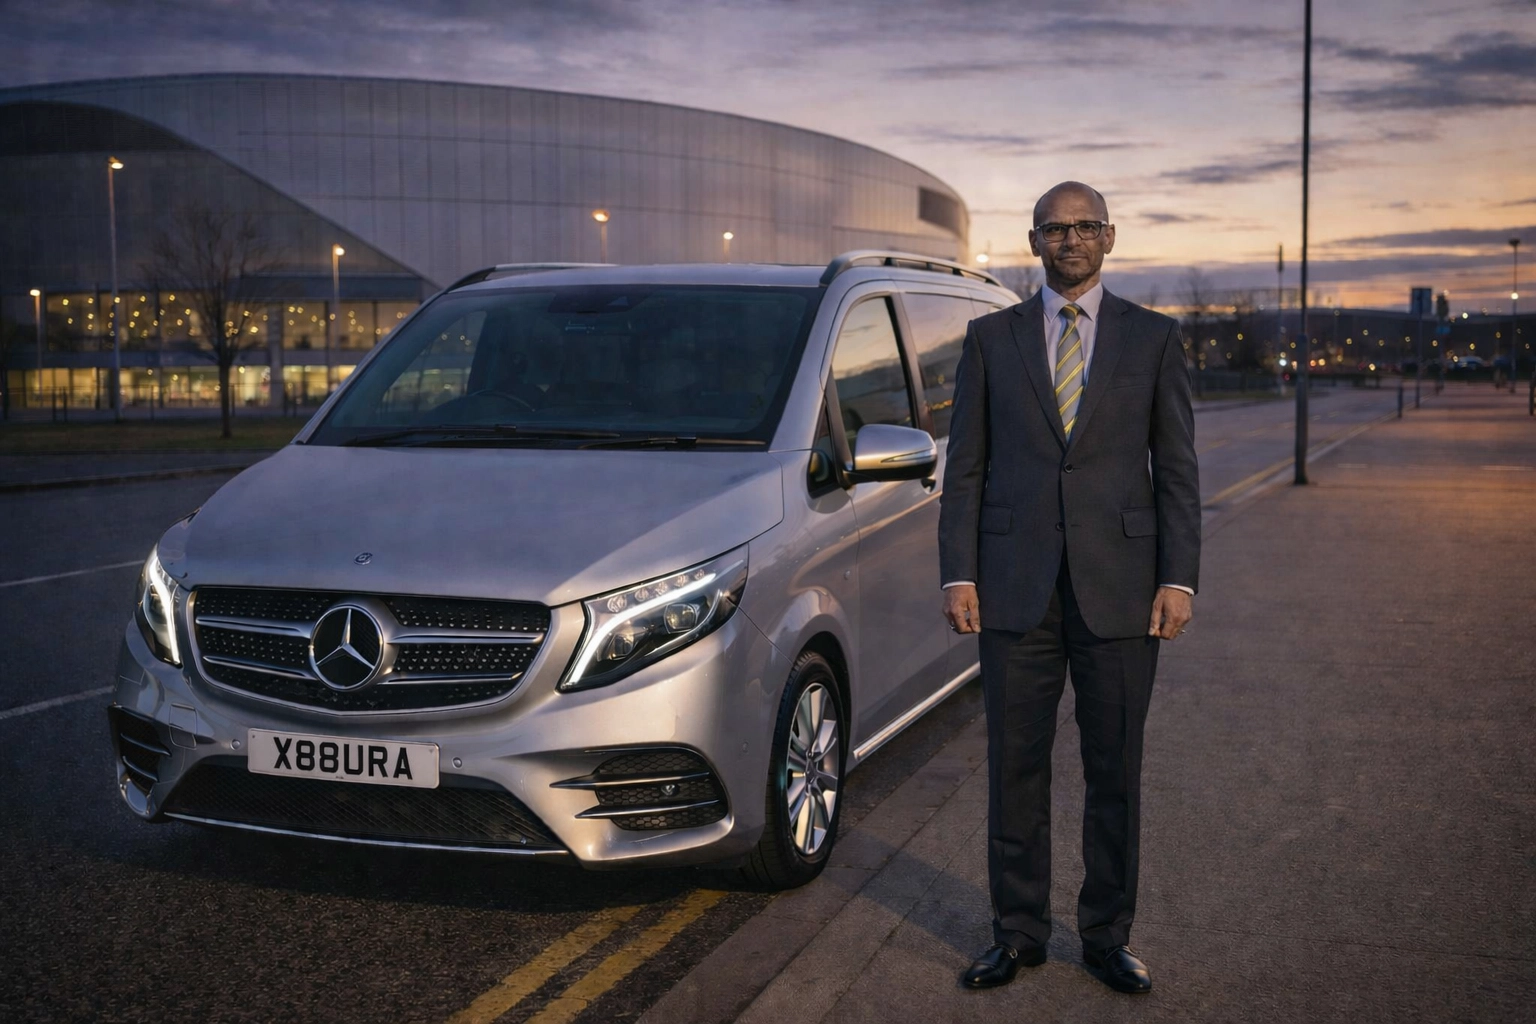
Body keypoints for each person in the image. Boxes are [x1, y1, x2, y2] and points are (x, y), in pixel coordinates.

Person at [938, 181, 1199, 995]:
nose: (1072, 240)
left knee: (1114, 769)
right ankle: (1016, 934)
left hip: (1123, 591)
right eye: (1056, 229)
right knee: (1015, 769)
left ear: (1110, 238)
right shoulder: (991, 338)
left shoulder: (1155, 340)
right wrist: (959, 571)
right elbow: (966, 470)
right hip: (1015, 591)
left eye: (1086, 227)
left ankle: (1106, 935)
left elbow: (1177, 471)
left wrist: (1178, 579)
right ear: (1034, 241)